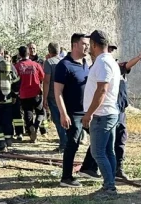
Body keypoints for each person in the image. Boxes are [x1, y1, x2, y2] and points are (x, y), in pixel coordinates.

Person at [80, 46, 141, 180]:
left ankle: (115, 171)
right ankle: (93, 171)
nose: (111, 52)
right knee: (101, 145)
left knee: (117, 140)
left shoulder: (114, 67)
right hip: (106, 111)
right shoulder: (100, 68)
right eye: (109, 49)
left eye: (112, 50)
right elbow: (98, 91)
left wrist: (139, 57)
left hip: (118, 110)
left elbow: (127, 65)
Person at [81, 30, 122, 199]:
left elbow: (102, 90)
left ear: (94, 45)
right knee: (108, 151)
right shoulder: (109, 61)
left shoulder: (103, 63)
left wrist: (89, 114)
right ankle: (110, 183)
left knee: (98, 152)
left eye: (90, 45)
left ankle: (110, 188)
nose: (89, 49)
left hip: (102, 115)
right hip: (108, 113)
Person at [55, 33, 91, 188]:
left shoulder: (85, 63)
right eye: (84, 43)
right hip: (72, 113)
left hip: (87, 111)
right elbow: (58, 92)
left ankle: (88, 169)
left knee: (98, 139)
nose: (87, 46)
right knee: (73, 143)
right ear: (75, 45)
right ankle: (66, 178)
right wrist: (63, 113)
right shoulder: (64, 65)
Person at [15, 45, 45, 143]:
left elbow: (14, 80)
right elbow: (42, 77)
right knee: (40, 112)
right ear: (29, 54)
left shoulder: (17, 66)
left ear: (19, 55)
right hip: (36, 92)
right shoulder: (35, 64)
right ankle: (36, 127)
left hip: (23, 94)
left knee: (28, 113)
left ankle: (31, 128)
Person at [43, 42, 67, 152]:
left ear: (49, 51)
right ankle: (66, 141)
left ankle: (63, 144)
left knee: (58, 120)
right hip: (64, 94)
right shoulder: (64, 61)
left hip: (53, 95)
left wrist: (45, 98)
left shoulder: (49, 63)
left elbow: (47, 81)